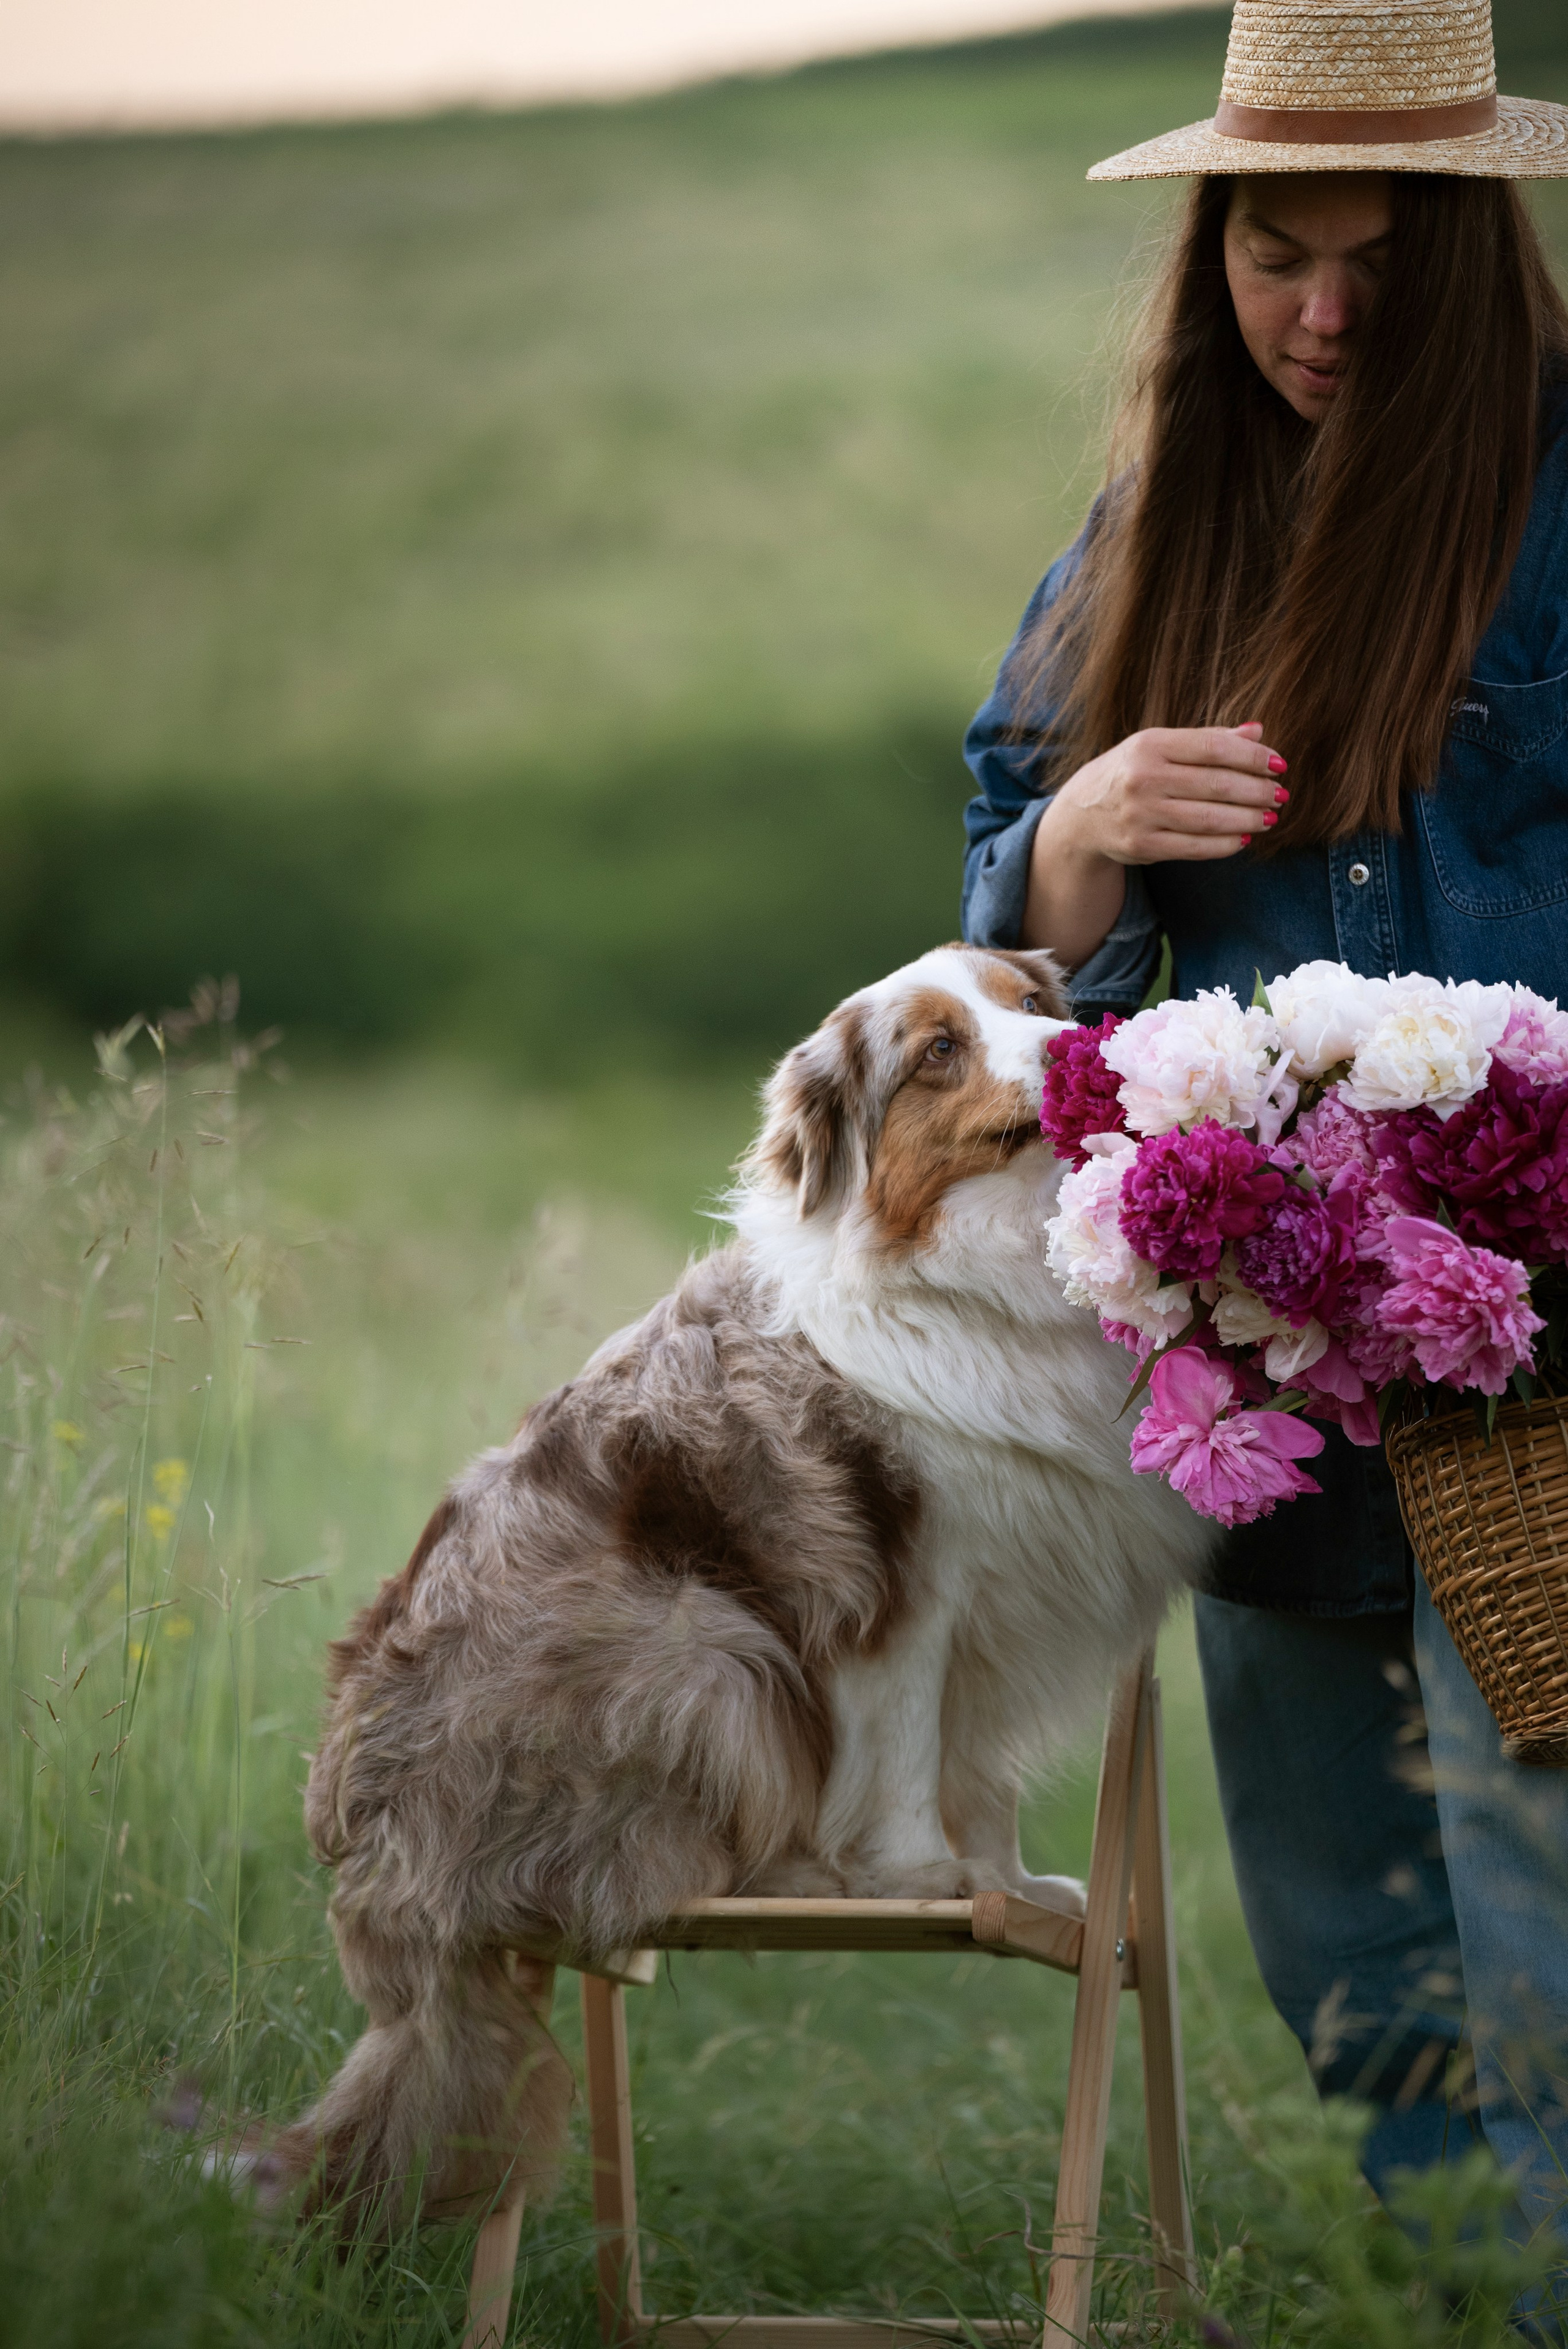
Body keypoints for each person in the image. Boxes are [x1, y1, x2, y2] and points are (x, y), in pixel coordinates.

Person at [960, 0, 1568, 2307]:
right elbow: (996, 920)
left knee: (1546, 1909)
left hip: (1546, 1330)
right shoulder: (1161, 521)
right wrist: (1084, 837)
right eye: (1272, 255)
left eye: (1381, 263)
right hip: (1265, 1350)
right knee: (1355, 1960)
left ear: (1476, 242)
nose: (1321, 314)